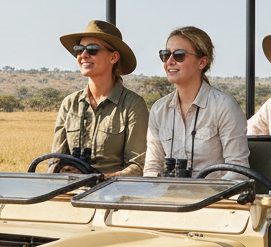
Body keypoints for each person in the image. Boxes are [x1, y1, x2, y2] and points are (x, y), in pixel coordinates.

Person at [144, 26, 249, 178]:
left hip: (212, 198)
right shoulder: (158, 110)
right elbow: (152, 167)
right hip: (169, 197)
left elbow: (238, 170)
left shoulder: (224, 106)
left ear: (202, 62)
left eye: (179, 55)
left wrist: (203, 195)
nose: (170, 61)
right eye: (166, 55)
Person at [51, 20, 148, 175]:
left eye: (93, 49)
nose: (84, 55)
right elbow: (56, 159)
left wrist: (100, 179)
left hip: (114, 192)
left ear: (113, 57)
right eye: (79, 49)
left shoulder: (133, 104)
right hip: (71, 189)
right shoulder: (70, 104)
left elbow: (137, 165)